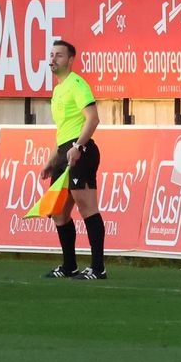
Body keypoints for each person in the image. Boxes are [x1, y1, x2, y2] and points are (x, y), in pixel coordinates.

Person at [43, 39, 106, 281]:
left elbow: (92, 119)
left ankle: (98, 268)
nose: (53, 59)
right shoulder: (59, 89)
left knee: (87, 207)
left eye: (59, 55)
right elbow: (65, 128)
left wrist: (78, 146)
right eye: (51, 54)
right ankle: (69, 266)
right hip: (64, 152)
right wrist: (53, 158)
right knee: (58, 210)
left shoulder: (77, 84)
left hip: (82, 151)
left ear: (70, 60)